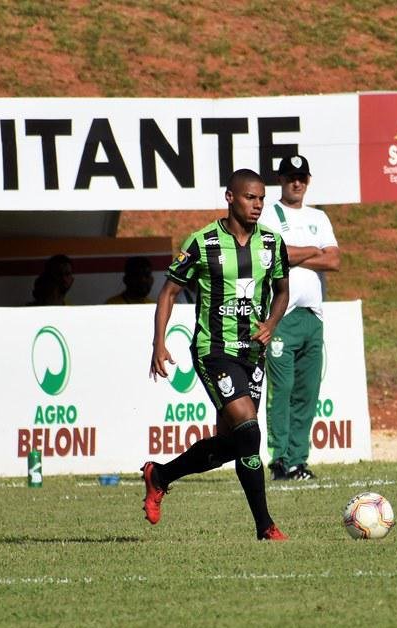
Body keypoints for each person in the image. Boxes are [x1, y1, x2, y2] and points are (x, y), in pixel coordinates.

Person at [145, 168, 290, 541]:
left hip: (252, 353)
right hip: (214, 351)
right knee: (248, 428)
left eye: (261, 198)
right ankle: (265, 526)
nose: (257, 205)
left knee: (234, 443)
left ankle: (160, 475)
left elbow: (282, 290)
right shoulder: (202, 242)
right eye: (249, 197)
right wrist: (158, 343)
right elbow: (168, 293)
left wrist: (272, 322)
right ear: (230, 197)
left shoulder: (272, 243)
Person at [257, 155, 341, 481]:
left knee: (307, 391)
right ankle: (279, 458)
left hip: (313, 315)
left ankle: (298, 460)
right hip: (281, 315)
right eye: (291, 177)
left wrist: (296, 253)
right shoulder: (268, 214)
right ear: (281, 179)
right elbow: (274, 255)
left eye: (302, 178)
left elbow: (333, 260)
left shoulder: (319, 216)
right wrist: (311, 251)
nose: (297, 183)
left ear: (308, 180)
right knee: (283, 387)